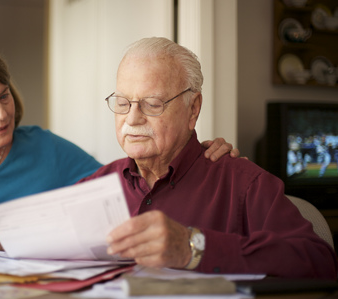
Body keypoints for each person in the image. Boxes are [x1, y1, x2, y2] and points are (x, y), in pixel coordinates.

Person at [0, 43, 236, 244]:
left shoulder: (45, 147)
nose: (2, 114)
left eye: (4, 96)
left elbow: (131, 189)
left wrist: (195, 161)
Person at [80, 37, 337, 279]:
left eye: (153, 104)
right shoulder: (94, 186)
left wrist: (194, 248)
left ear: (193, 109)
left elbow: (320, 263)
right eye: (123, 103)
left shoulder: (245, 184)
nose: (133, 118)